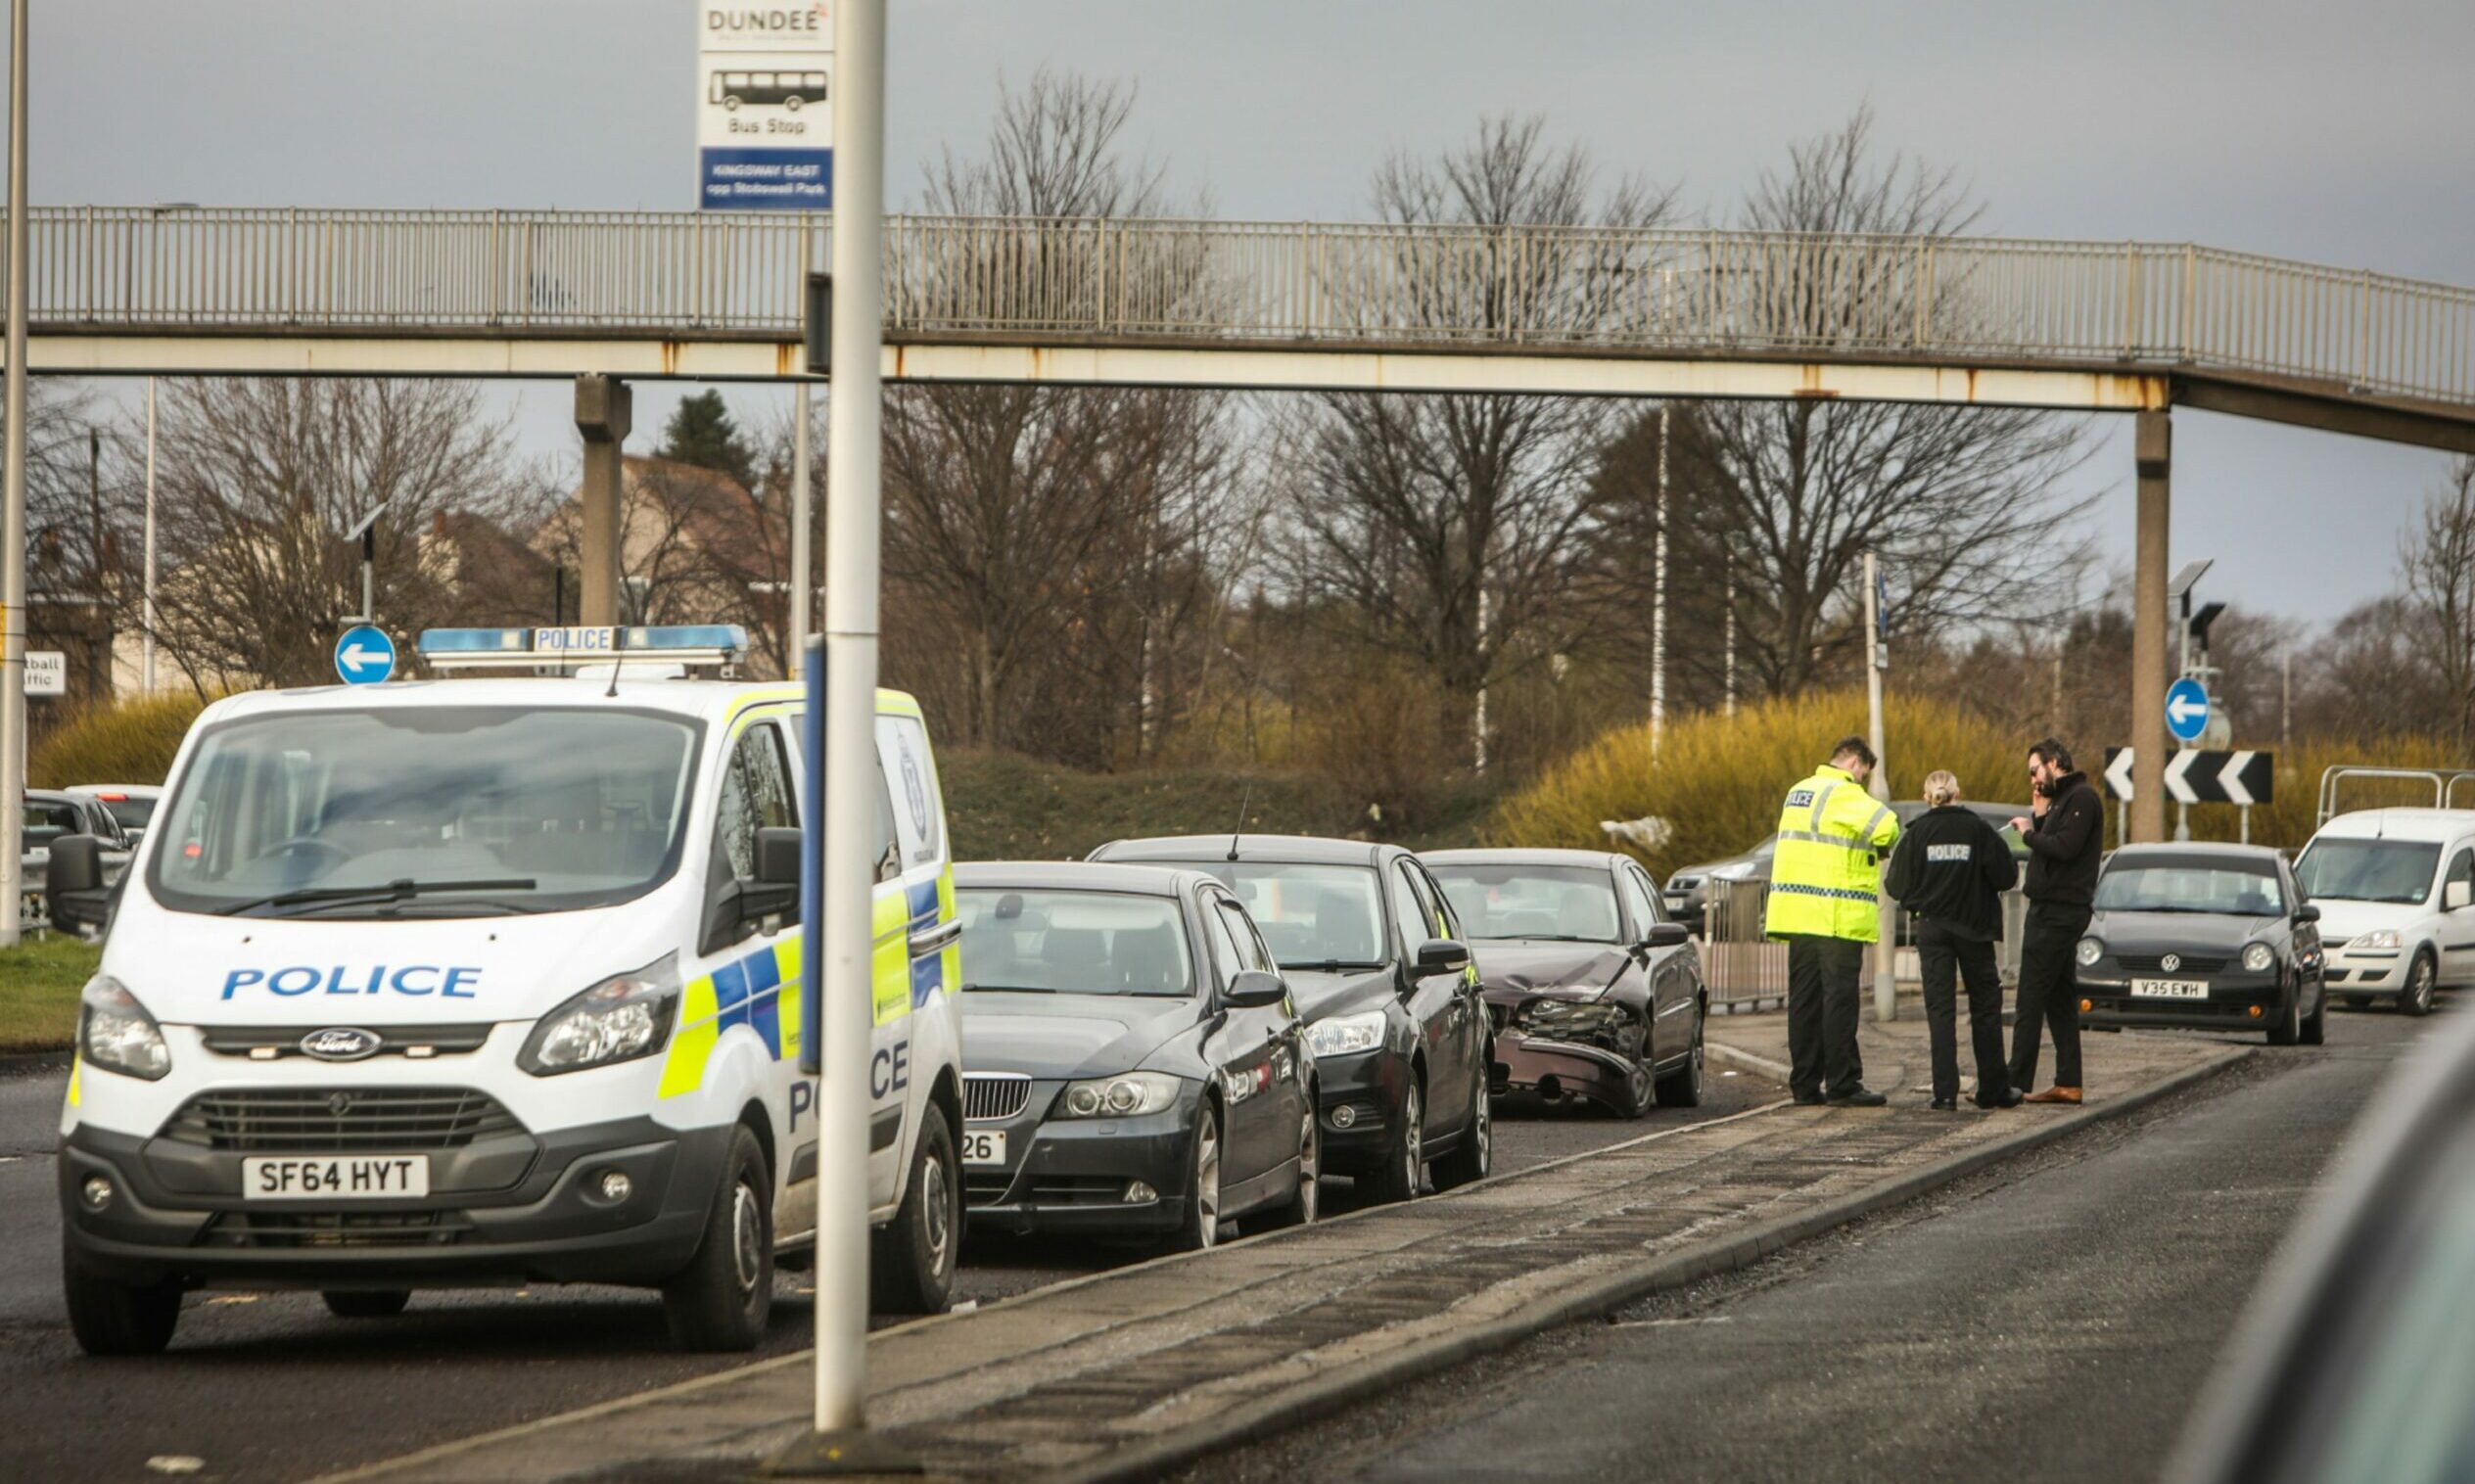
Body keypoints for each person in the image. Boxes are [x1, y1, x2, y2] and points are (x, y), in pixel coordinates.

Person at [1764, 736, 1901, 1107]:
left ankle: (1805, 1085)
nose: (1863, 782)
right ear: (1856, 763)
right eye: (1864, 775)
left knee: (1804, 1002)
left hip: (1798, 916)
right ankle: (1843, 1083)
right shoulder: (1844, 793)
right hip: (1835, 918)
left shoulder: (1799, 791)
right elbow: (1888, 827)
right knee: (1839, 1002)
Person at [1885, 770, 2020, 1111]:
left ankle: (1945, 1093)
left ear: (1925, 795)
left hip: (1932, 930)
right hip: (1975, 930)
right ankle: (1993, 1089)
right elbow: (2006, 876)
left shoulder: (1916, 834)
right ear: (1959, 792)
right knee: (1985, 1009)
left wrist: (1919, 898)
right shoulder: (1979, 830)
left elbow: (1895, 885)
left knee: (1940, 1011)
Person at [2007, 737, 2104, 1104]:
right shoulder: (2061, 800)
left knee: (2030, 995)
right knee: (2060, 999)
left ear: (2053, 762)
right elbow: (2054, 845)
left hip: (2059, 912)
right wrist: (2039, 815)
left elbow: (2064, 849)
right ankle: (2069, 1081)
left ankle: (2014, 1083)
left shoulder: (2082, 798)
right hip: (2052, 909)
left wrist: (2029, 834)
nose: (2033, 778)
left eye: (2035, 770)